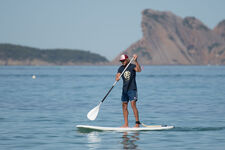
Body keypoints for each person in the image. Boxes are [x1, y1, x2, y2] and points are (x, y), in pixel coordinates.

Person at [116, 54, 142, 127]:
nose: (122, 62)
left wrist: (136, 61)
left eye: (123, 60)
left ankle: (137, 123)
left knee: (133, 104)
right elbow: (117, 75)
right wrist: (117, 78)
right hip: (124, 90)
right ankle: (126, 124)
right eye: (121, 61)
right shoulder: (121, 68)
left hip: (132, 89)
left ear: (127, 59)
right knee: (124, 106)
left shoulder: (132, 66)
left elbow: (139, 70)